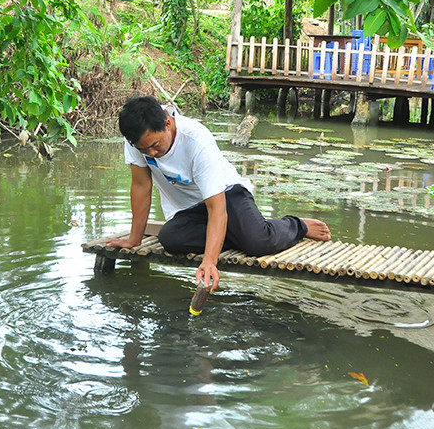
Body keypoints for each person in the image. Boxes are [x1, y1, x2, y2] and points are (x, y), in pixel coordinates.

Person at [107, 95, 331, 292]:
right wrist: (134, 239)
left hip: (227, 194)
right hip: (190, 211)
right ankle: (237, 231)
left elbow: (217, 207)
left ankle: (296, 225)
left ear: (167, 123)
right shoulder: (137, 141)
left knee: (257, 243)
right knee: (170, 238)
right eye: (144, 149)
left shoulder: (196, 139)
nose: (151, 153)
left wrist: (209, 261)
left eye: (155, 145)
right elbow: (141, 187)